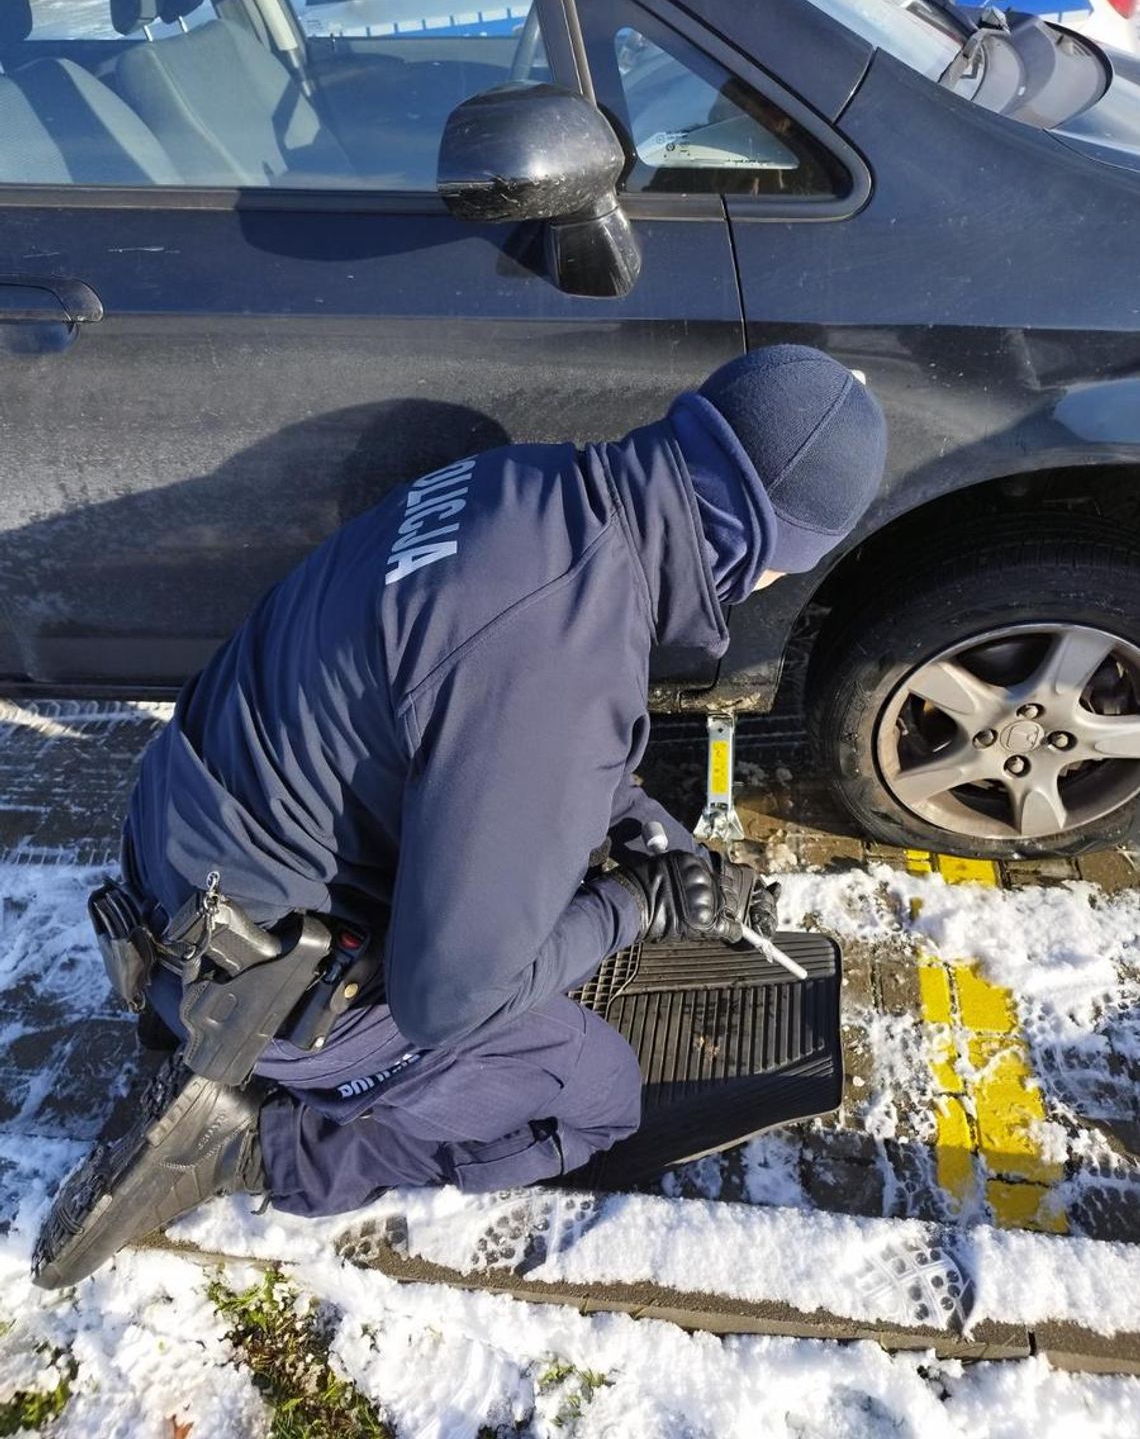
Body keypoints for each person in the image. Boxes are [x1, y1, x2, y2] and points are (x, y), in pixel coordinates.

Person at [32, 344, 887, 1289]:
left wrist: (657, 838)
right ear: (761, 545)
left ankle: (203, 1046)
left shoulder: (533, 486)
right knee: (594, 1097)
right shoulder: (564, 656)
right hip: (269, 982)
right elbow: (449, 999)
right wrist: (636, 907)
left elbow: (485, 720)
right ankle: (252, 1147)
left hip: (178, 867)